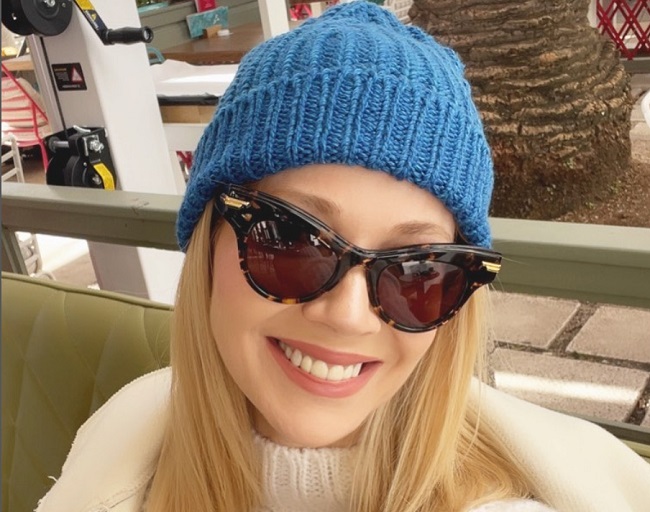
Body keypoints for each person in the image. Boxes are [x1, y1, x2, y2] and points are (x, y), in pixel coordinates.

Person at [36, 3, 650, 512]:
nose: (349, 316)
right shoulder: (121, 449)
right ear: (208, 241)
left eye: (418, 271)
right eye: (291, 241)